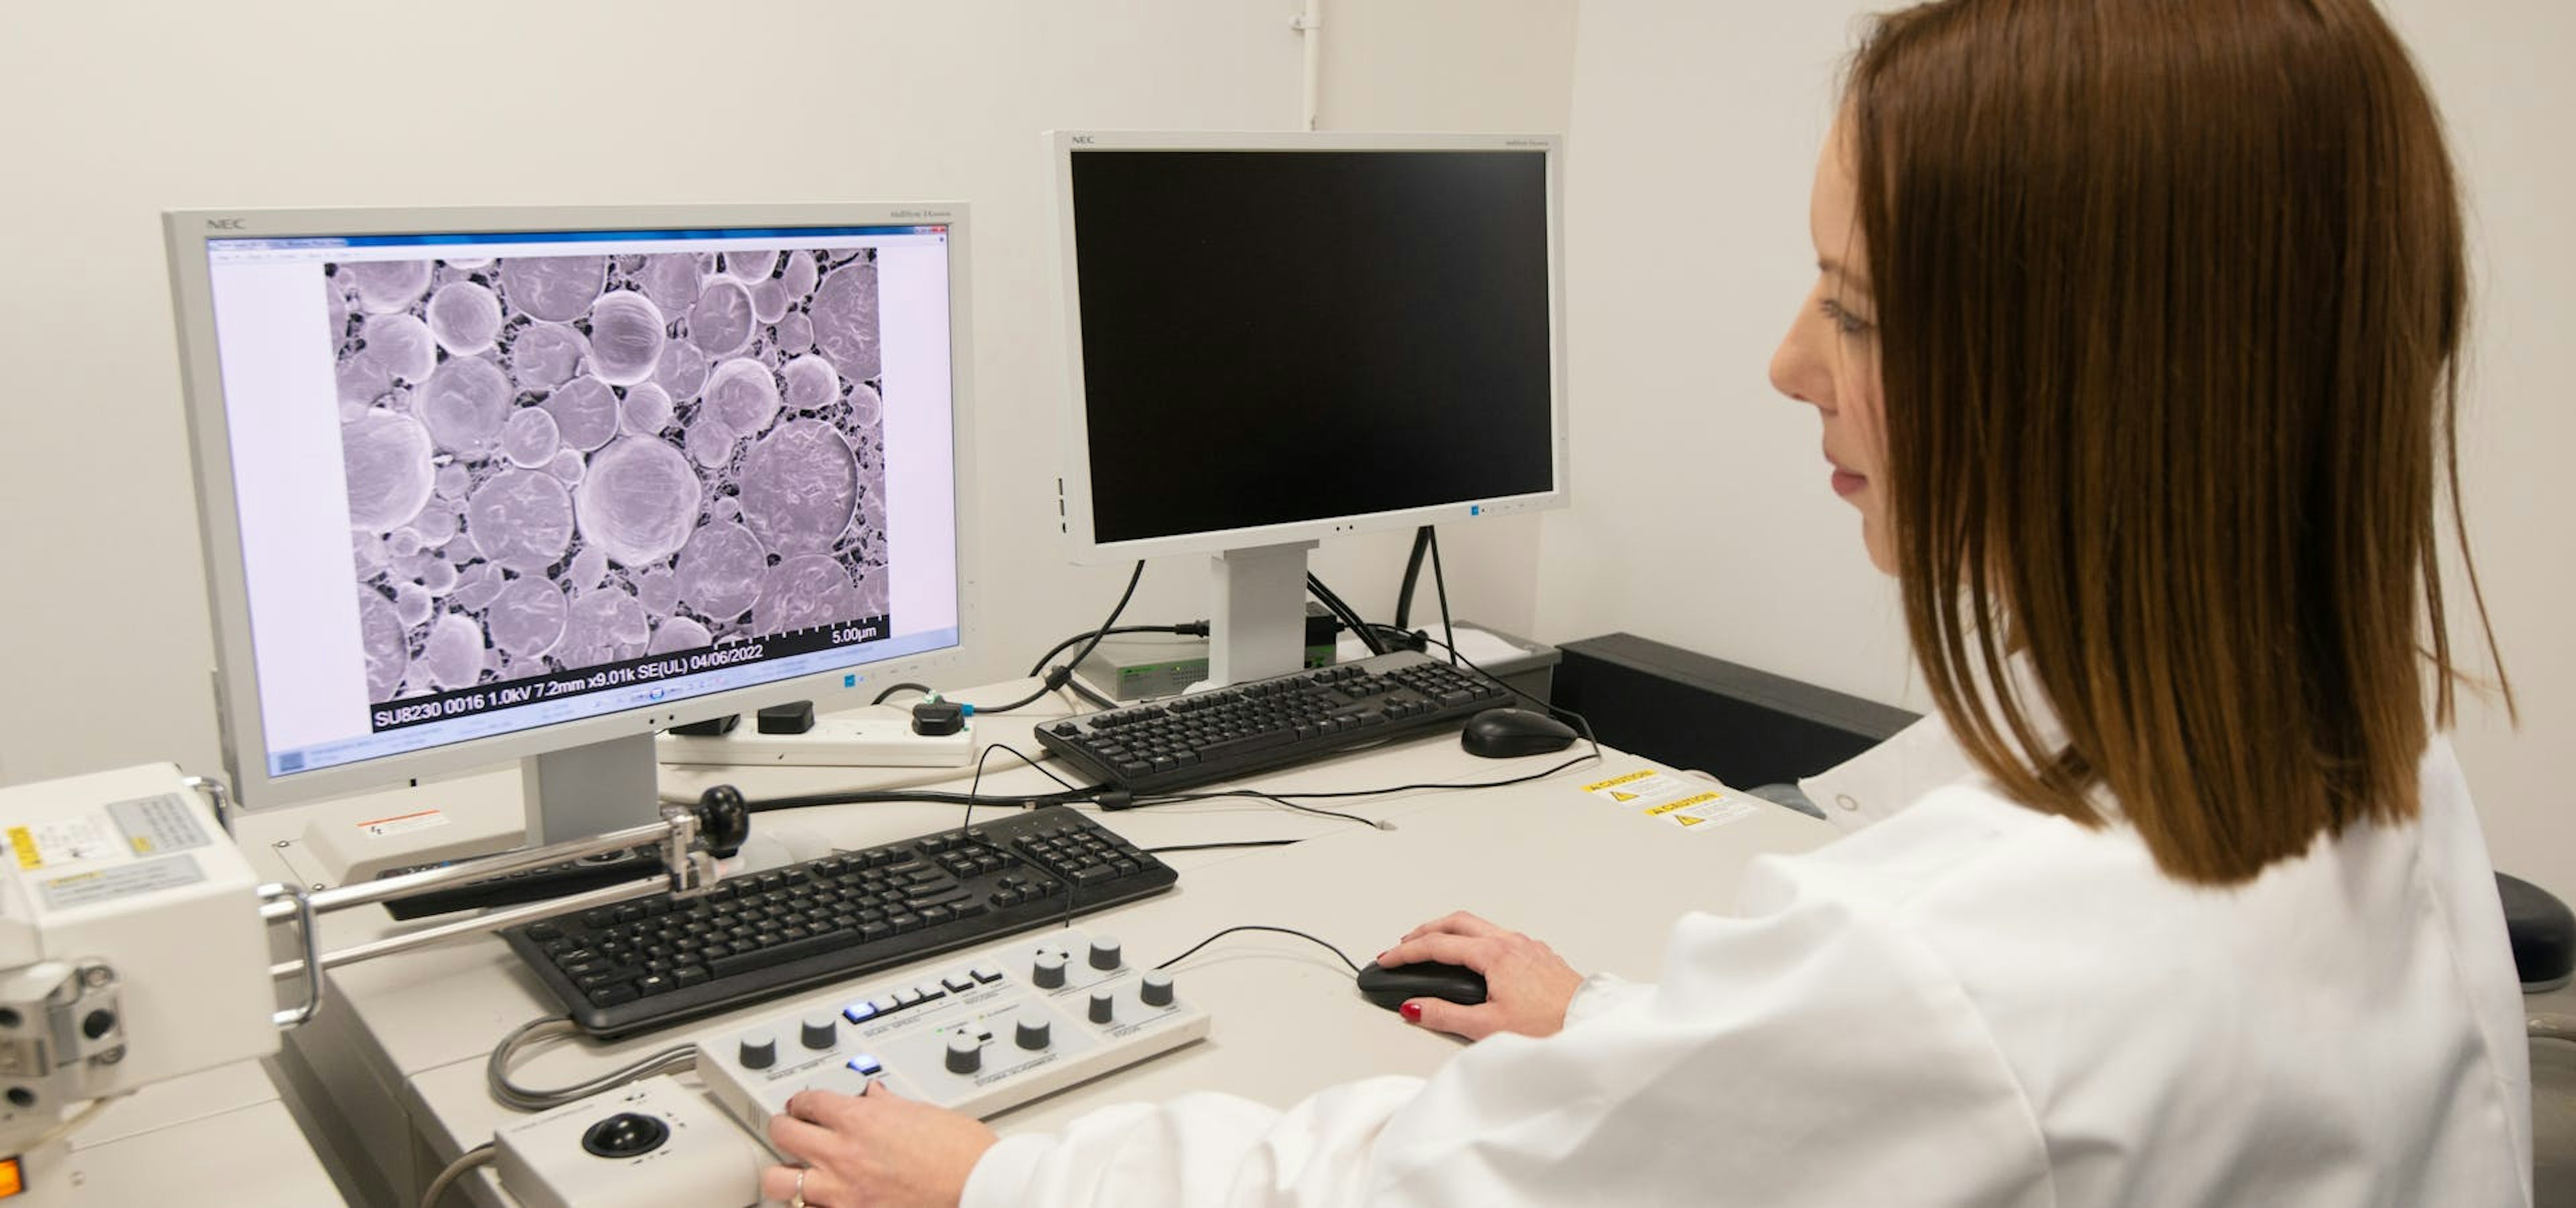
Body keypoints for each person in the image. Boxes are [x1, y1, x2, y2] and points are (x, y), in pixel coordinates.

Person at [760, 0, 2532, 1203]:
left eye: (1854, 309)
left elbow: (1411, 1195)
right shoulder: (2375, 753)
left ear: (2085, 374)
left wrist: (1000, 1174)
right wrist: (1640, 1048)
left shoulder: (1959, 965)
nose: (1786, 365)